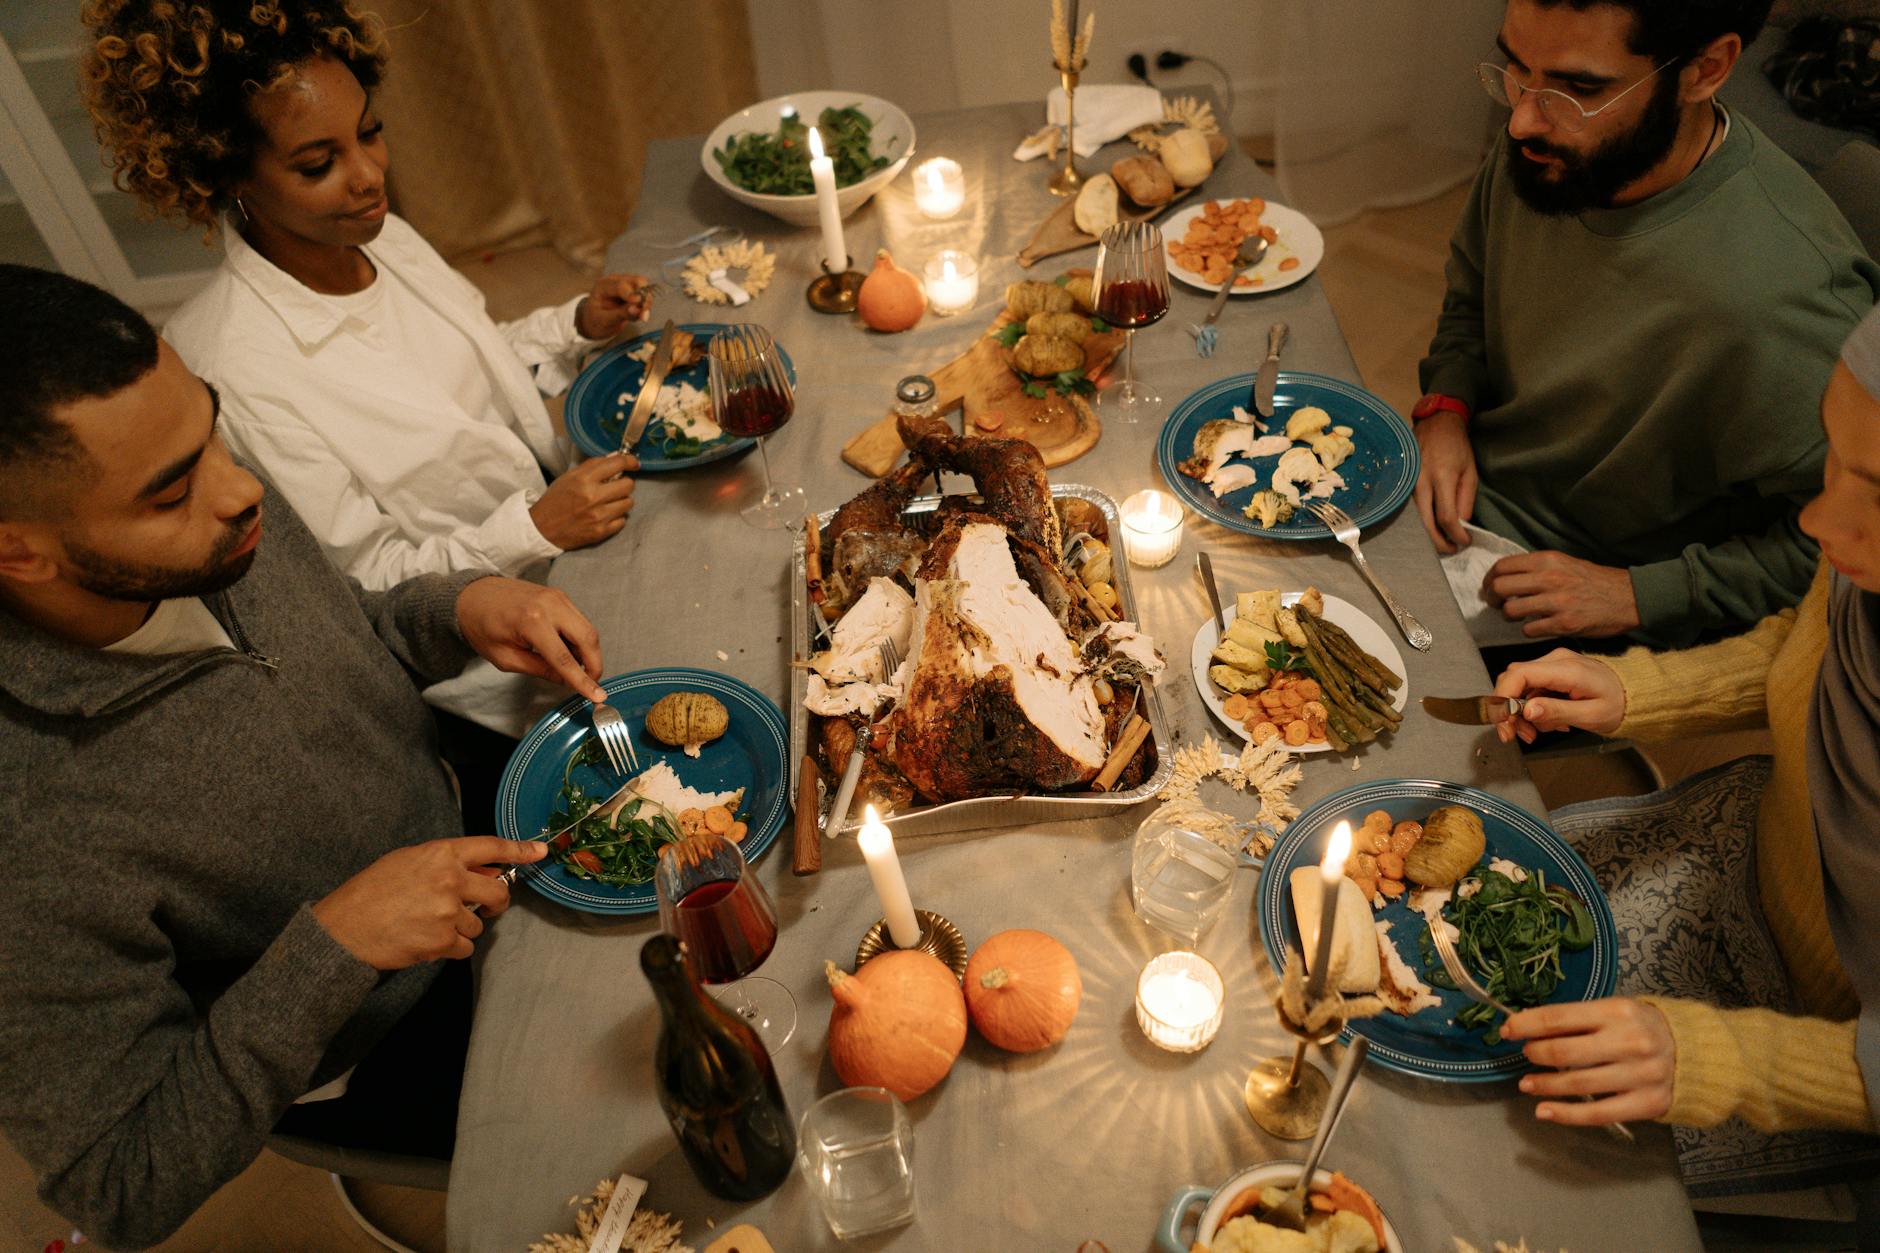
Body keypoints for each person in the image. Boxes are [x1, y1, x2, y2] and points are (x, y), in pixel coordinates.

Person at [0, 265, 614, 1248]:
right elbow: (117, 1183)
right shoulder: (28, 834)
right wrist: (334, 946)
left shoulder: (211, 508)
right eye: (171, 492)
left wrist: (451, 608)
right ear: (20, 553)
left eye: (212, 430)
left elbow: (338, 630)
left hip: (467, 815)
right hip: (380, 1036)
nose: (242, 489)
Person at [80, 0, 650, 752]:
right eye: (318, 164)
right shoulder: (231, 367)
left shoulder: (383, 238)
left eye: (370, 131)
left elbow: (471, 366)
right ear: (231, 175)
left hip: (565, 528)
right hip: (494, 655)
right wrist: (531, 528)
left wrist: (573, 325)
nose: (370, 175)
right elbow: (366, 584)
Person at [1488, 305, 1880, 1190]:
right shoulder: (1860, 555)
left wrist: (1708, 1058)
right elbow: (1802, 647)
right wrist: (1632, 689)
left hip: (1819, 1048)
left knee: (1513, 1155)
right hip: (1740, 854)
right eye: (1833, 456)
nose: (1819, 521)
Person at [1414, 0, 1879, 650]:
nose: (1521, 119)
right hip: (1460, 499)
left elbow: (1840, 553)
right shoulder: (1553, 147)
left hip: (1583, 600)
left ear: (1705, 70)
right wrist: (1446, 406)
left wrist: (1641, 594)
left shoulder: (1780, 304)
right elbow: (1472, 292)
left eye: (1580, 88)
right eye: (1516, 68)